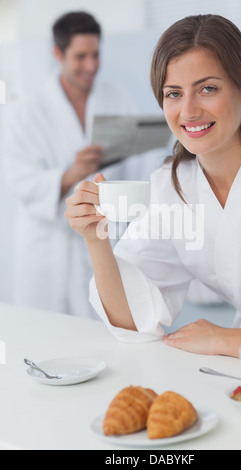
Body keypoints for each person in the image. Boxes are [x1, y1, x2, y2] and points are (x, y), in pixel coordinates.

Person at [65, 14, 241, 358]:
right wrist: (96, 239)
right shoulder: (172, 187)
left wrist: (226, 339)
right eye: (174, 93)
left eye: (208, 89)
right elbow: (133, 320)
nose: (188, 111)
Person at [4, 11, 164, 319]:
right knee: (44, 331)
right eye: (80, 56)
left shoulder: (116, 97)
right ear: (57, 54)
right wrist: (71, 175)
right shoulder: (29, 113)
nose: (91, 66)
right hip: (48, 247)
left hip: (102, 234)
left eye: (95, 55)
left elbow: (138, 166)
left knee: (103, 325)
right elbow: (20, 182)